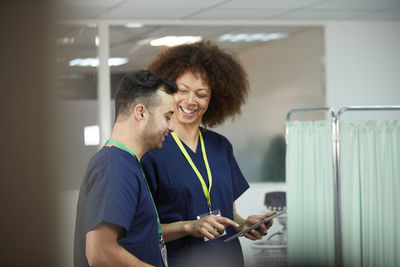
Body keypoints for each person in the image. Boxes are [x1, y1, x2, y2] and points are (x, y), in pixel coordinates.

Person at [141, 41, 276, 267]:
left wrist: (245, 226)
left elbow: (229, 214)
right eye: (182, 90)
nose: (190, 101)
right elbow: (142, 230)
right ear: (165, 91)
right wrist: (189, 227)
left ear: (214, 97)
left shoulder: (220, 146)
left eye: (201, 94)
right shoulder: (151, 150)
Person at [74, 70, 177, 267]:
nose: (172, 127)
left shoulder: (126, 164)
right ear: (140, 112)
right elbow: (99, 252)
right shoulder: (114, 167)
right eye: (167, 116)